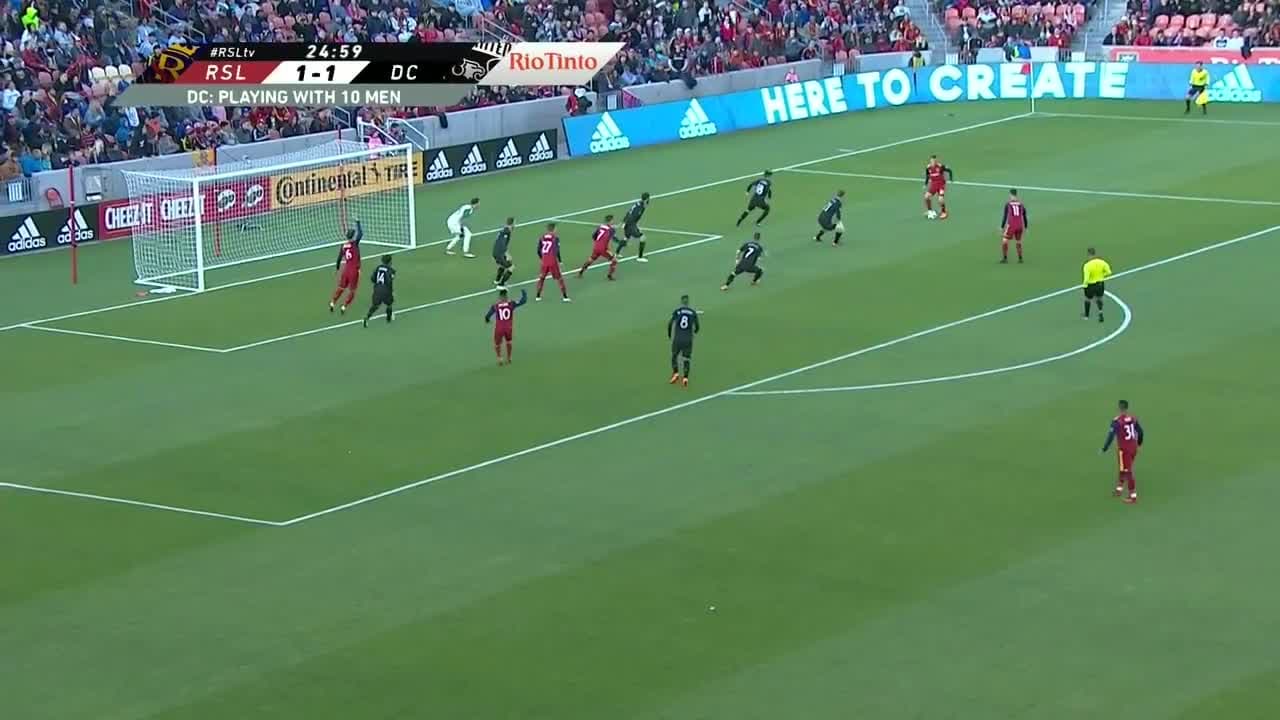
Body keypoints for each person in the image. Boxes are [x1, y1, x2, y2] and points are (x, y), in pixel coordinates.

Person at [1101, 399, 1144, 503]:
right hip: (1133, 448)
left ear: (1119, 408)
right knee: (1123, 467)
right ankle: (1119, 489)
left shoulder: (1117, 422)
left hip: (1124, 450)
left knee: (1127, 471)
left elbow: (1110, 436)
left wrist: (1105, 448)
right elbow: (1141, 432)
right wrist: (1139, 444)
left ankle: (1133, 496)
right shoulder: (1133, 418)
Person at [485, 288, 528, 365]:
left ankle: (499, 358)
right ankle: (509, 358)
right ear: (506, 296)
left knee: (497, 344)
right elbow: (523, 301)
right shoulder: (511, 303)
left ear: (500, 297)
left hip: (499, 328)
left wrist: (487, 320)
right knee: (509, 342)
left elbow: (488, 315)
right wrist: (524, 293)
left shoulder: (495, 305)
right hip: (508, 328)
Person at [329, 219, 362, 313]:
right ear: (353, 236)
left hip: (346, 270)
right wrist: (358, 223)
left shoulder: (343, 246)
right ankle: (344, 306)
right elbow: (360, 234)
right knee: (352, 290)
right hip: (354, 270)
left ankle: (333, 302)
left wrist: (337, 269)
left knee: (341, 287)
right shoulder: (355, 244)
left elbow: (339, 258)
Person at [667, 294, 700, 387]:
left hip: (678, 339)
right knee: (686, 358)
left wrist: (669, 334)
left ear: (682, 301)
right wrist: (694, 333)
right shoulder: (693, 312)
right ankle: (685, 378)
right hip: (688, 339)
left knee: (674, 356)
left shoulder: (678, 311)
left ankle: (676, 373)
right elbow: (697, 327)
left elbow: (670, 323)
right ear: (688, 302)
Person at [535, 222, 571, 302]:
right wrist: (560, 260)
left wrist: (542, 258)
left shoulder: (542, 237)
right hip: (552, 261)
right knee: (560, 279)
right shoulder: (555, 238)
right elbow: (557, 251)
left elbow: (538, 250)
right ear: (554, 229)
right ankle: (565, 297)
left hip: (544, 261)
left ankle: (538, 296)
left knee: (542, 278)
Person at [578, 215, 619, 280]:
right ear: (610, 221)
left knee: (591, 259)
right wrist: (620, 242)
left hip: (596, 247)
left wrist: (598, 243)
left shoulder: (600, 227)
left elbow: (594, 236)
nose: (613, 221)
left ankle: (581, 272)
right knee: (615, 261)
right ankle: (609, 276)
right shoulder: (611, 230)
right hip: (603, 249)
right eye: (612, 220)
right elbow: (614, 238)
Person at [363, 255, 396, 327]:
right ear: (390, 262)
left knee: (375, 305)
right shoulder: (391, 270)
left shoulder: (378, 268)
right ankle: (388, 319)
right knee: (389, 304)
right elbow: (389, 282)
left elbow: (372, 279)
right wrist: (391, 292)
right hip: (386, 291)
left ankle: (367, 317)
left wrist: (378, 284)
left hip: (377, 290)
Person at [1082, 247, 1112, 323]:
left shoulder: (1087, 265)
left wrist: (1084, 285)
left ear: (1088, 254)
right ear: (1095, 254)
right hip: (1100, 284)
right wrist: (1101, 275)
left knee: (1087, 299)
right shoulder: (1102, 262)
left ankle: (1086, 316)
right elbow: (1109, 272)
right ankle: (1100, 311)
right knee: (1099, 298)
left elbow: (1086, 278)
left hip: (1090, 285)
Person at [619, 192, 650, 261]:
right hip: (631, 224)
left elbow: (629, 212)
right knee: (643, 238)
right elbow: (632, 216)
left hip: (629, 223)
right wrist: (633, 226)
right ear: (646, 199)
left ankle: (617, 253)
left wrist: (624, 222)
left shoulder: (638, 203)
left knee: (626, 238)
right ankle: (640, 257)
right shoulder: (639, 207)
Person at [1000, 189, 1028, 264]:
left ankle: (1005, 258)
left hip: (1011, 225)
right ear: (1016, 194)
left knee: (1004, 241)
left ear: (1010, 194)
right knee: (1018, 241)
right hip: (1020, 225)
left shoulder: (1008, 204)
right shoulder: (1021, 204)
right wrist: (1026, 227)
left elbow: (1005, 216)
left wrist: (1002, 227)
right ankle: (1020, 258)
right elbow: (1024, 216)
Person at [492, 217, 515, 289]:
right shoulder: (506, 232)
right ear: (512, 224)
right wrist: (507, 254)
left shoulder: (503, 230)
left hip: (496, 251)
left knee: (502, 266)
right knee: (511, 267)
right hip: (500, 253)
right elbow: (502, 244)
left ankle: (497, 280)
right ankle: (501, 285)